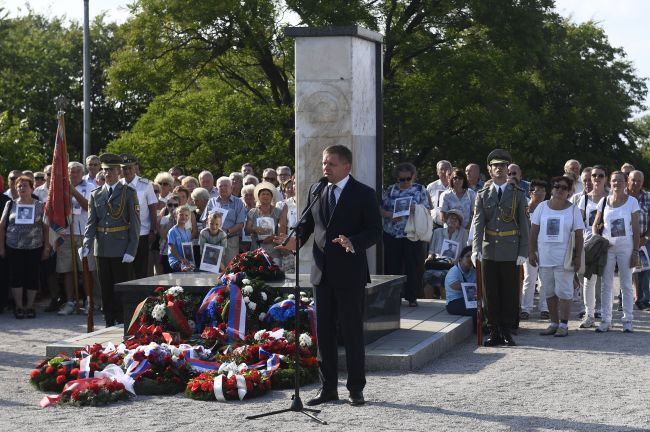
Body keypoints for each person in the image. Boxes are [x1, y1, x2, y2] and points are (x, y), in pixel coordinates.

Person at [276, 145, 381, 407]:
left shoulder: (364, 194)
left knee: (351, 332)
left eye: (331, 164)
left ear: (347, 166)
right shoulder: (317, 189)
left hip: (350, 274)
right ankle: (328, 389)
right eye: (324, 163)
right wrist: (294, 242)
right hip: (321, 273)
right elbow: (307, 225)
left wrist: (353, 242)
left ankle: (356, 389)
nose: (326, 168)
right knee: (324, 334)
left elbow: (375, 231)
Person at [472, 149, 529, 346]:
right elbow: (478, 223)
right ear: (489, 170)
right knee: (490, 293)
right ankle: (494, 329)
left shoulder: (518, 194)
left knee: (509, 292)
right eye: (495, 166)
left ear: (508, 170)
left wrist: (523, 251)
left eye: (503, 166)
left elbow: (524, 225)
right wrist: (475, 248)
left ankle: (507, 329)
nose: (499, 169)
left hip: (510, 249)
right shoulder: (482, 195)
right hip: (489, 249)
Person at [82, 153, 140, 327]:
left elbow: (135, 224)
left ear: (119, 172)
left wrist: (131, 249)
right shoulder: (96, 194)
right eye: (105, 170)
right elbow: (91, 222)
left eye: (112, 170)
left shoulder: (128, 193)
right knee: (105, 287)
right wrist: (86, 243)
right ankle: (108, 319)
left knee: (120, 286)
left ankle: (122, 319)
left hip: (121, 247)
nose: (108, 173)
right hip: (102, 247)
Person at [529, 176, 584, 337]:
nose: (559, 190)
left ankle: (564, 324)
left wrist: (578, 257)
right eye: (556, 186)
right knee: (549, 291)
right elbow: (533, 232)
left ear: (569, 191)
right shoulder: (541, 207)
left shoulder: (573, 209)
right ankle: (553, 323)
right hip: (544, 257)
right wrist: (531, 252)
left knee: (564, 292)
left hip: (564, 258)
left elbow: (579, 235)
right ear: (552, 189)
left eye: (564, 188)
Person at [592, 171, 640, 333]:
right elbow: (595, 224)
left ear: (625, 183)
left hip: (626, 248)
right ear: (609, 183)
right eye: (613, 181)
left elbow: (635, 228)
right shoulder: (604, 202)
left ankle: (627, 320)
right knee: (607, 285)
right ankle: (606, 320)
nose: (616, 183)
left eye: (620, 181)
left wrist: (635, 251)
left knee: (626, 284)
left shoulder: (632, 202)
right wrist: (596, 239)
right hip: (607, 249)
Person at [381, 162, 431, 307]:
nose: (405, 182)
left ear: (413, 176)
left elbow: (427, 209)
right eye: (401, 179)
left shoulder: (420, 189)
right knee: (393, 266)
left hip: (412, 234)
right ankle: (393, 297)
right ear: (397, 178)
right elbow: (380, 208)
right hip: (392, 234)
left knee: (413, 266)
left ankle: (412, 296)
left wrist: (416, 208)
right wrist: (390, 215)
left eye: (408, 179)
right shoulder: (390, 190)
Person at [0, 175, 50, 319]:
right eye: (19, 186)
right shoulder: (10, 204)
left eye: (25, 186)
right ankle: (19, 306)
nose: (22, 188)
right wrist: (1, 247)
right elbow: (2, 226)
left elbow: (46, 227)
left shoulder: (40, 205)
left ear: (32, 188)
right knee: (16, 277)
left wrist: (47, 246)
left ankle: (29, 306)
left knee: (32, 277)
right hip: (13, 247)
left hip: (34, 247)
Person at [56, 162, 97, 316]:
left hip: (83, 232)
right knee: (67, 269)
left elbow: (88, 206)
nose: (74, 174)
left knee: (85, 268)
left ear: (82, 173)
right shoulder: (59, 188)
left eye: (77, 171)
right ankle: (70, 301)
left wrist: (73, 192)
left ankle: (89, 301)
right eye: (71, 171)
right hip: (65, 232)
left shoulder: (91, 186)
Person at [576, 165, 608, 327]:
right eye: (594, 175)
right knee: (587, 279)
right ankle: (588, 313)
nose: (596, 178)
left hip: (607, 243)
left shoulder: (611, 197)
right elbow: (579, 222)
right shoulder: (585, 198)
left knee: (604, 279)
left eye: (600, 175)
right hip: (588, 243)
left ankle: (603, 312)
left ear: (605, 178)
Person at [120, 154, 158, 279]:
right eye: (124, 168)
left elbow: (152, 208)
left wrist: (153, 230)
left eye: (130, 168)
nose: (127, 171)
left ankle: (141, 296)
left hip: (142, 232)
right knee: (125, 268)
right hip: (123, 233)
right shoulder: (118, 185)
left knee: (141, 268)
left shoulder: (146, 184)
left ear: (135, 167)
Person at [520, 180, 549, 320]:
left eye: (543, 191)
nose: (541, 193)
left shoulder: (548, 208)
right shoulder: (525, 209)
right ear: (530, 193)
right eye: (538, 190)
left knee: (544, 279)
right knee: (529, 279)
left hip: (545, 249)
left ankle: (545, 307)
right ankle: (526, 308)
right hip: (529, 249)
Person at [204, 177, 247, 266]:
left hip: (230, 241)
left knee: (230, 269)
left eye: (226, 186)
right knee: (212, 269)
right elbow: (205, 221)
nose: (223, 188)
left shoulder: (238, 202)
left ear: (231, 188)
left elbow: (240, 224)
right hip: (213, 240)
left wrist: (226, 232)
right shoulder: (211, 202)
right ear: (217, 188)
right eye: (220, 186)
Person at [627, 170, 650, 310]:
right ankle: (625, 300)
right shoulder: (621, 196)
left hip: (644, 238)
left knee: (645, 269)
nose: (635, 183)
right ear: (628, 180)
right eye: (633, 180)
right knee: (626, 269)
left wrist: (646, 237)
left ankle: (643, 299)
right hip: (624, 239)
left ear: (643, 182)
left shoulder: (648, 197)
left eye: (639, 181)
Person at [245, 181, 282, 265]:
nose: (265, 196)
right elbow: (247, 229)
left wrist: (273, 237)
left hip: (273, 250)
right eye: (263, 194)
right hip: (256, 248)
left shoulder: (278, 212)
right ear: (258, 197)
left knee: (274, 274)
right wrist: (255, 229)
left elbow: (282, 230)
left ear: (272, 197)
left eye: (268, 194)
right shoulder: (253, 212)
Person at [444, 245, 477, 323]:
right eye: (467, 256)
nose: (470, 259)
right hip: (454, 302)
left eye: (471, 257)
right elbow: (455, 285)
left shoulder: (474, 271)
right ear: (460, 259)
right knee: (476, 310)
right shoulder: (453, 272)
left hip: (470, 300)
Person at [167, 205, 194, 272]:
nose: (184, 217)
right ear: (176, 216)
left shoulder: (188, 231)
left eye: (186, 215)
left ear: (188, 218)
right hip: (176, 260)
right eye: (181, 215)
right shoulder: (172, 231)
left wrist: (189, 260)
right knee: (185, 272)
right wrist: (181, 259)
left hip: (186, 261)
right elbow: (172, 248)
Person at [426, 160, 452, 226]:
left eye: (446, 169)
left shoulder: (456, 185)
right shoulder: (431, 186)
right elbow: (426, 205)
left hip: (453, 224)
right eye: (441, 169)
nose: (444, 171)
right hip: (434, 224)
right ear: (437, 172)